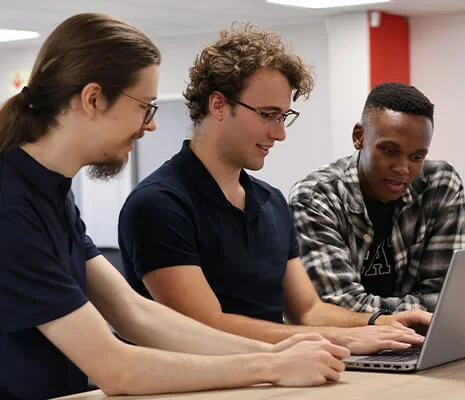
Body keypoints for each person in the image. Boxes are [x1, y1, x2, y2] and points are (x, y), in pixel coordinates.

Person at [0, 14, 352, 400]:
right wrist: (271, 366)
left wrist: (275, 352)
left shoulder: (51, 193)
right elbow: (115, 368)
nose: (150, 125)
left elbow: (134, 312)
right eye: (145, 107)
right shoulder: (10, 205)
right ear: (93, 99)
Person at [118, 23, 429, 358]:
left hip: (275, 376)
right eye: (268, 115)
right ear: (219, 105)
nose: (279, 134)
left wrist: (378, 322)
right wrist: (339, 339)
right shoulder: (158, 205)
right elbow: (205, 325)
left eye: (283, 117)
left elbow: (308, 310)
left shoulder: (271, 202)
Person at [289, 82, 465, 314]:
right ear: (359, 136)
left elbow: (447, 296)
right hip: (345, 346)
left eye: (416, 156)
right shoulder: (317, 197)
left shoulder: (440, 185)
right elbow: (338, 307)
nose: (403, 168)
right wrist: (424, 311)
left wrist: (434, 310)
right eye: (389, 151)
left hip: (417, 342)